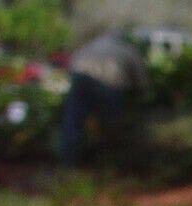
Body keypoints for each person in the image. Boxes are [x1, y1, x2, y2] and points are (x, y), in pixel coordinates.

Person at [60, 31, 147, 166]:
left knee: (73, 122)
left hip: (80, 80)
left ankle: (70, 161)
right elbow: (141, 80)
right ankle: (109, 161)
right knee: (111, 123)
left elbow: (71, 65)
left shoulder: (90, 45)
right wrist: (142, 95)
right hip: (108, 84)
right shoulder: (127, 49)